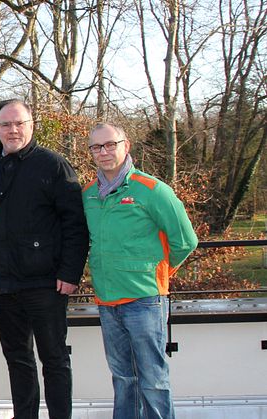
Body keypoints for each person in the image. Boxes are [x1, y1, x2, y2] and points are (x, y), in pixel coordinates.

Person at [0, 99, 89, 419]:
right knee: (17, 358)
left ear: (31, 125)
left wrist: (70, 273)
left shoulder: (53, 165)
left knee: (54, 359)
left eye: (19, 123)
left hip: (45, 282)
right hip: (3, 281)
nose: (12, 130)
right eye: (5, 125)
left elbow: (75, 224)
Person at [82, 123, 198, 419]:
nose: (104, 152)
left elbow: (185, 240)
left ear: (126, 145)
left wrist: (157, 273)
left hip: (145, 299)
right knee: (123, 378)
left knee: (153, 379)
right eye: (96, 147)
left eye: (110, 144)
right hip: (107, 300)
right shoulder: (89, 194)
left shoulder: (153, 190)